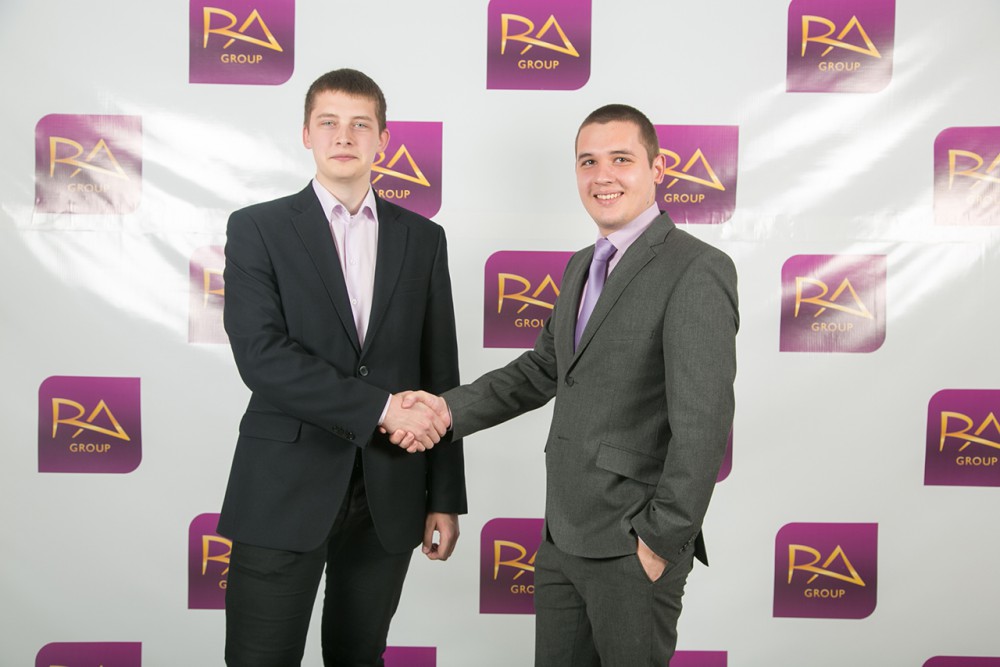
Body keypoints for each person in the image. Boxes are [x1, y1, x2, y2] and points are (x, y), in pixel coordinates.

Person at [394, 104, 738, 666]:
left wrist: (659, 540)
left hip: (632, 542)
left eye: (621, 159)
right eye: (588, 162)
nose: (602, 176)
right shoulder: (581, 266)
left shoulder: (696, 269)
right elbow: (542, 370)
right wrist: (443, 410)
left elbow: (703, 423)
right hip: (562, 538)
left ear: (658, 168)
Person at [217, 68, 467, 667]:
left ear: (383, 138)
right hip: (282, 486)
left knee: (360, 657)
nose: (344, 136)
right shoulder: (257, 228)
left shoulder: (424, 239)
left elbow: (439, 374)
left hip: (390, 490)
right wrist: (381, 409)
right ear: (307, 134)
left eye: (360, 124)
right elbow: (261, 356)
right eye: (328, 122)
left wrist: (445, 495)